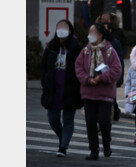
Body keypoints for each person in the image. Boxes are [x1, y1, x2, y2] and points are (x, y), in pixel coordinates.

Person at [75, 23, 122, 160]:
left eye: (93, 32)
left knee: (104, 121)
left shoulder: (109, 51)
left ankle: (106, 144)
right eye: (89, 32)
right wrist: (87, 79)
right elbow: (78, 67)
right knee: (90, 123)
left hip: (105, 94)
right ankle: (93, 151)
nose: (90, 34)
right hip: (88, 93)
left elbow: (116, 70)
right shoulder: (85, 51)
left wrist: (100, 78)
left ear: (100, 35)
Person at [41, 19, 83, 157]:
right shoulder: (51, 46)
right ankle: (62, 138)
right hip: (53, 88)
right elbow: (44, 67)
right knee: (52, 119)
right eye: (59, 27)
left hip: (70, 88)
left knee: (68, 119)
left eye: (64, 27)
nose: (61, 29)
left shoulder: (77, 48)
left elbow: (82, 68)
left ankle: (63, 147)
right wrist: (44, 82)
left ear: (70, 30)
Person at [98, 12, 126, 121]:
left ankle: (111, 116)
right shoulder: (93, 41)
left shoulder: (116, 38)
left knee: (110, 96)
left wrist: (118, 76)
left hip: (111, 72)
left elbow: (120, 58)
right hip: (98, 74)